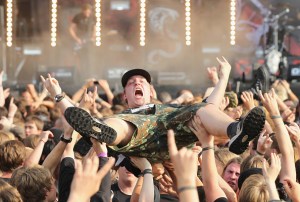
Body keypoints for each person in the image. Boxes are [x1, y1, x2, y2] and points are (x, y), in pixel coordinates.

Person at [42, 57, 266, 162]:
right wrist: (59, 95)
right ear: (125, 96)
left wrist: (224, 76)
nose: (137, 84)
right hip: (137, 140)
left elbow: (211, 106)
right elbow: (77, 117)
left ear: (150, 91)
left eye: (141, 82)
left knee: (200, 110)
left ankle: (237, 130)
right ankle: (100, 129)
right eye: (131, 83)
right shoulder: (124, 113)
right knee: (117, 123)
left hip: (173, 134)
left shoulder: (172, 108)